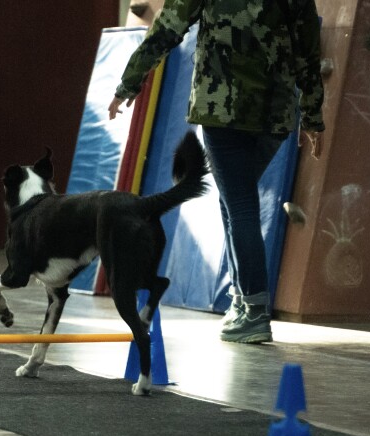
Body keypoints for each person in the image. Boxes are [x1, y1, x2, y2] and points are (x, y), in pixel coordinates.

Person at [109, 0, 325, 343]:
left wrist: (128, 84)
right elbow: (308, 48)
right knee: (236, 199)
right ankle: (243, 303)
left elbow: (167, 28)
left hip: (221, 108)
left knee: (239, 203)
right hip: (275, 113)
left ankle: (253, 310)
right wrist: (312, 114)